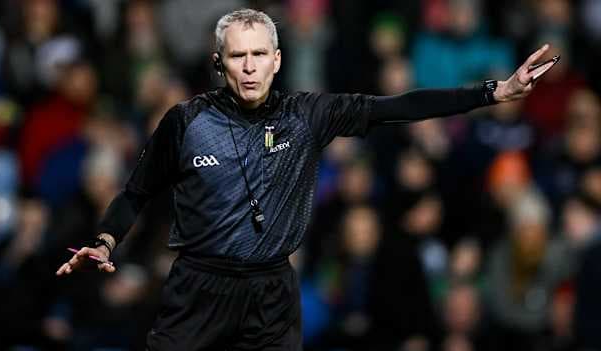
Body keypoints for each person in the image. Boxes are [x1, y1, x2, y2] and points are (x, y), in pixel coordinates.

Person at [56, 8, 553, 351]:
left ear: (277, 60)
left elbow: (398, 107)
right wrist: (104, 241)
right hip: (198, 288)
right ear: (218, 63)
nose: (248, 67)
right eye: (236, 56)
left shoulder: (307, 115)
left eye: (258, 55)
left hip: (271, 291)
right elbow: (136, 191)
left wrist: (494, 92)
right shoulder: (185, 121)